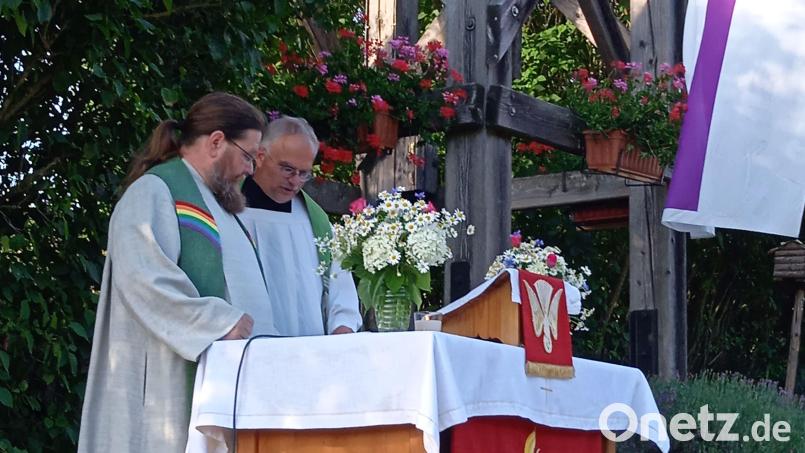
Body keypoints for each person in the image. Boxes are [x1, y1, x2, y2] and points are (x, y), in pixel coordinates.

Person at [77, 92, 278, 453]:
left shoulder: (223, 207)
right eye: (248, 155)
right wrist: (218, 321)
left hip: (227, 383)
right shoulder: (155, 191)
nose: (250, 169)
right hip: (165, 377)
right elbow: (146, 280)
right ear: (217, 141)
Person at [239, 115, 362, 336]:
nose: (295, 181)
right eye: (287, 169)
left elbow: (341, 294)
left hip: (308, 354)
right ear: (260, 156)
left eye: (304, 173)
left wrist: (342, 329)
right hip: (243, 353)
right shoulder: (228, 211)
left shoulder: (316, 221)